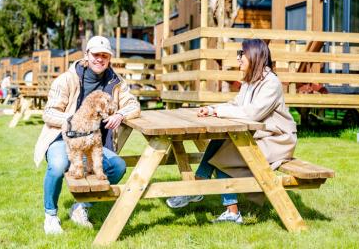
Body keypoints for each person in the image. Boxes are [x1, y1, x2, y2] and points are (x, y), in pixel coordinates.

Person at [166, 38, 297, 224]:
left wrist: (218, 112)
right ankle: (200, 191)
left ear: (253, 55)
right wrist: (212, 109)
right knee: (220, 141)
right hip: (259, 135)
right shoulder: (251, 80)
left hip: (276, 141)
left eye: (241, 54)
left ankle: (204, 193)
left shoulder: (271, 83)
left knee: (223, 153)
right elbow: (235, 104)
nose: (238, 58)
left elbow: (252, 114)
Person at [33, 36, 141, 234]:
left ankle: (82, 207)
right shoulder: (67, 79)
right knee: (57, 166)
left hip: (95, 143)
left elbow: (134, 104)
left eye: (104, 56)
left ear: (109, 59)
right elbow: (48, 113)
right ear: (86, 55)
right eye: (96, 55)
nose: (100, 59)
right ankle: (50, 215)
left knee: (117, 167)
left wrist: (120, 113)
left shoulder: (115, 81)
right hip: (63, 138)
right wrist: (76, 121)